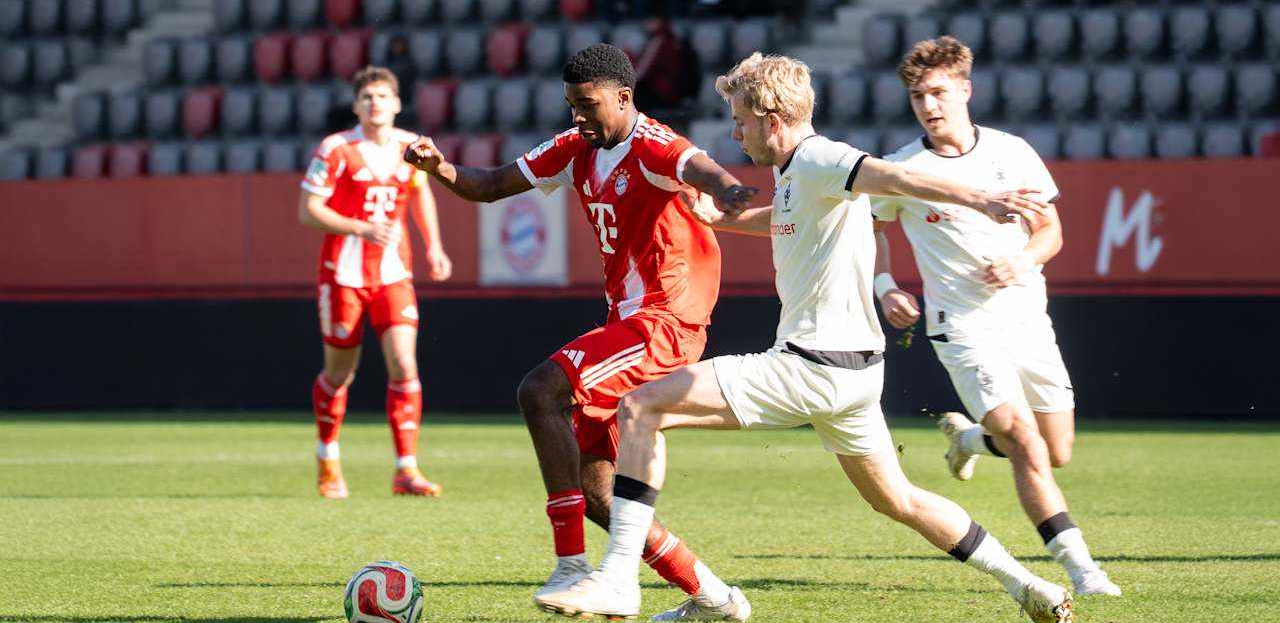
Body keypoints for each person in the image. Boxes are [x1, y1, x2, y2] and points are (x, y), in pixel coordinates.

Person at [534, 52, 1076, 623]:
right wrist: (721, 220)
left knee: (641, 406)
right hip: (855, 378)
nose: (736, 135)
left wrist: (981, 199)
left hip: (810, 365)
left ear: (773, 122)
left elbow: (895, 178)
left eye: (741, 122)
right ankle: (1028, 585)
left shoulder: (821, 157)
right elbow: (785, 218)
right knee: (900, 500)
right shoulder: (798, 174)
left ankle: (619, 579)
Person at [403, 44, 757, 620]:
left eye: (588, 105)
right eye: (572, 104)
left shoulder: (652, 144)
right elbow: (489, 185)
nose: (578, 116)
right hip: (628, 324)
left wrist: (724, 188)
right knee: (598, 493)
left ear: (624, 97)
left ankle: (571, 565)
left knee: (539, 390)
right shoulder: (575, 148)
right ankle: (713, 596)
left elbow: (696, 165)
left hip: (665, 322)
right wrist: (439, 167)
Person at [871, 36, 1121, 597]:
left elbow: (1050, 231)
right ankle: (1083, 569)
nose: (929, 105)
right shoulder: (903, 168)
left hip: (1027, 319)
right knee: (1026, 443)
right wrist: (885, 286)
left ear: (965, 90)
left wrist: (1022, 260)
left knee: (1057, 450)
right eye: (917, 96)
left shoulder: (1012, 152)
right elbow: (872, 229)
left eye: (938, 92)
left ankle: (969, 440)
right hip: (960, 326)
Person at [298, 66, 453, 499]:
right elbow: (308, 211)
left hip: (393, 274)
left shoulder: (410, 147)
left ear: (397, 103)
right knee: (339, 373)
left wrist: (434, 247)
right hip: (343, 276)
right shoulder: (336, 149)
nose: (375, 103)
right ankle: (327, 458)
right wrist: (360, 228)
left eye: (383, 96)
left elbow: (420, 191)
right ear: (356, 105)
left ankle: (406, 469)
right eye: (367, 97)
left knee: (404, 363)